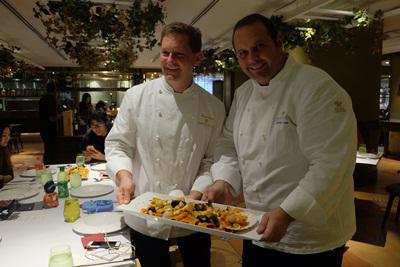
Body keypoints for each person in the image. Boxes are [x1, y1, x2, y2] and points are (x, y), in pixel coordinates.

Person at [203, 14, 357, 267]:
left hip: (310, 239)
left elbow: (331, 163)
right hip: (256, 226)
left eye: (259, 47)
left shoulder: (316, 88)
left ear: (279, 41)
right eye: (242, 53)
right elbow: (228, 143)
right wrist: (224, 181)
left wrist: (288, 213)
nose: (251, 58)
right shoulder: (244, 93)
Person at [105, 22, 225, 267]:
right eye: (165, 52)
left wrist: (196, 192)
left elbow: (211, 159)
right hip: (144, 209)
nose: (169, 60)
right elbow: (118, 145)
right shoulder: (136, 97)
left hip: (194, 211)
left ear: (197, 57)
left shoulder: (213, 107)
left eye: (179, 54)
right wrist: (125, 176)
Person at [39, 81, 58, 164]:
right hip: (50, 129)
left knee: (47, 148)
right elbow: (51, 118)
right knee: (51, 150)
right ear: (54, 90)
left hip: (43, 128)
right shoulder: (51, 100)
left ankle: (46, 166)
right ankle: (49, 167)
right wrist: (60, 116)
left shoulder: (42, 99)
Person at [0, 122, 14, 189]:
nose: (7, 139)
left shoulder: (4, 149)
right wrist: (3, 177)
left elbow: (10, 176)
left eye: (8, 135)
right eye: (4, 135)